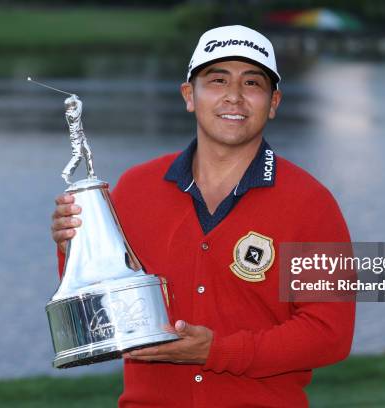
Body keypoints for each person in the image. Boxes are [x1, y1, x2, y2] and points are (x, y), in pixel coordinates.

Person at [51, 25, 355, 408]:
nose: (234, 96)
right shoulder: (134, 189)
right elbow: (106, 310)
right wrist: (73, 246)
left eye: (252, 83)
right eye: (216, 80)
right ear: (188, 96)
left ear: (273, 102)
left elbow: (329, 334)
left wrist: (218, 352)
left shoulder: (311, 203)